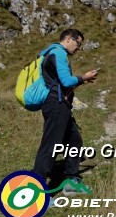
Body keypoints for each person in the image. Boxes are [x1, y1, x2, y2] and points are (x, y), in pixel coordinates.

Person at [32, 28, 98, 193]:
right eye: (78, 43)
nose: (78, 48)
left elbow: (60, 83)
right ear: (69, 38)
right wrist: (83, 77)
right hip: (56, 105)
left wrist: (82, 81)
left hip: (60, 105)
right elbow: (67, 81)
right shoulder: (58, 53)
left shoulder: (51, 53)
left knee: (75, 141)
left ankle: (71, 182)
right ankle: (35, 191)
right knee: (50, 146)